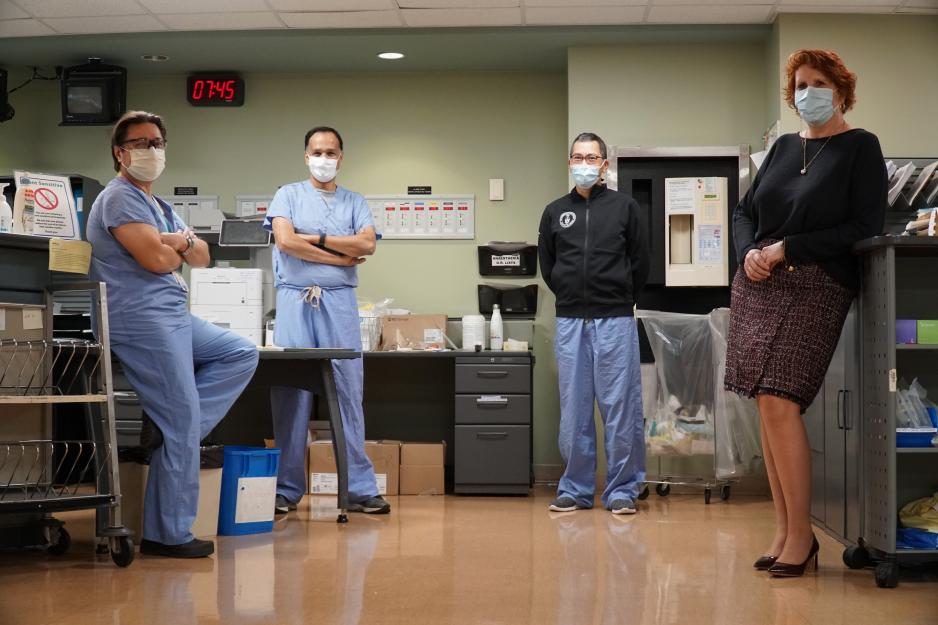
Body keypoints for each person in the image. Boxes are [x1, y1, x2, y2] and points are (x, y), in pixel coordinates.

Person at [725, 49, 887, 577]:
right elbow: (744, 212)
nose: (807, 91)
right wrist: (749, 250)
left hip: (816, 282)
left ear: (841, 91)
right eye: (800, 83)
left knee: (781, 400)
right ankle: (784, 530)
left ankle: (803, 536)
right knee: (765, 406)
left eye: (819, 82)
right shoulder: (780, 149)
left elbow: (862, 225)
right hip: (760, 284)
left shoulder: (860, 147)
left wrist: (787, 249)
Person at [87, 111, 259, 558]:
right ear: (119, 152)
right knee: (181, 424)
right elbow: (157, 261)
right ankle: (168, 534)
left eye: (158, 142)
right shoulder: (118, 199)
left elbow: (202, 255)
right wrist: (177, 244)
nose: (152, 151)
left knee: (239, 352)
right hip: (141, 318)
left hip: (174, 314)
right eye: (141, 143)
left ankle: (175, 429)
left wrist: (175, 241)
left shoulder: (159, 205)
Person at [265, 126, 388, 515]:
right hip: (293, 303)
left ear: (341, 158)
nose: (323, 158)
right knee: (291, 396)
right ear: (305, 156)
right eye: (317, 151)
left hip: (338, 305)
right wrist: (338, 255)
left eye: (331, 152)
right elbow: (285, 241)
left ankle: (359, 488)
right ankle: (286, 488)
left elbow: (366, 244)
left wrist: (312, 238)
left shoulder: (355, 201)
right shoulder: (287, 194)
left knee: (349, 394)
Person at [538, 132, 650, 515]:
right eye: (577, 156)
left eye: (592, 157)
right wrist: (572, 296)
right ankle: (575, 488)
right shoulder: (554, 212)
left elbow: (640, 262)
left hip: (615, 319)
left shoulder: (625, 208)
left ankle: (622, 490)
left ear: (604, 165)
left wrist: (617, 297)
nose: (584, 163)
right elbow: (549, 267)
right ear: (569, 162)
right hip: (571, 322)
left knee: (620, 408)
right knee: (574, 411)